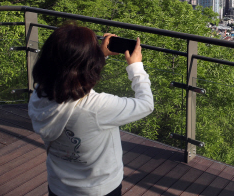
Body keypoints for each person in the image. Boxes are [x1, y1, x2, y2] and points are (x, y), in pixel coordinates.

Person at [28, 24, 154, 196]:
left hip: (59, 186)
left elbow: (70, 77)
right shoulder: (96, 107)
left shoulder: (38, 95)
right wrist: (136, 67)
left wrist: (99, 55)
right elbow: (146, 104)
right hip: (99, 188)